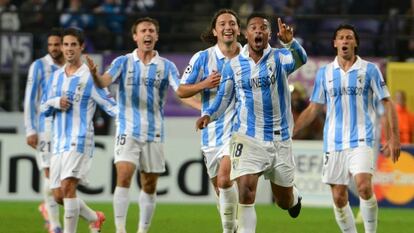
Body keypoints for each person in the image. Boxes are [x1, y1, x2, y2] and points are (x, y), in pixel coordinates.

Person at [86, 17, 200, 233]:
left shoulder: (166, 66)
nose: (147, 34)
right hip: (127, 129)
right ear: (135, 36)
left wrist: (202, 108)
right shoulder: (123, 62)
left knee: (149, 184)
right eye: (143, 30)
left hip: (154, 131)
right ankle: (120, 230)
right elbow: (104, 82)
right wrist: (94, 74)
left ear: (156, 36)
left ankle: (142, 231)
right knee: (124, 176)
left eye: (151, 30)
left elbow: (181, 93)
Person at [196, 14, 307, 233]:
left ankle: (293, 197)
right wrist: (208, 115)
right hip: (248, 136)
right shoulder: (234, 65)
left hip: (280, 139)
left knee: (283, 201)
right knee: (246, 191)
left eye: (263, 28)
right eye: (254, 28)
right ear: (246, 34)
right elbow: (223, 99)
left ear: (268, 34)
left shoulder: (280, 57)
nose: (258, 31)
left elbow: (301, 59)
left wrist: (290, 42)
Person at [293, 24, 401, 233]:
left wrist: (393, 137)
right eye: (341, 37)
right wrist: (293, 130)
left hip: (362, 137)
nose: (345, 41)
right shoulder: (325, 73)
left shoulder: (369, 69)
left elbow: (387, 103)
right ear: (335, 43)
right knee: (339, 196)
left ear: (355, 43)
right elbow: (314, 107)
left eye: (349, 37)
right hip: (333, 142)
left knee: (363, 186)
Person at [41, 27, 117, 233]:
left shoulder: (89, 77)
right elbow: (43, 107)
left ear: (82, 47)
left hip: (80, 138)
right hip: (58, 141)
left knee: (67, 188)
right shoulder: (55, 77)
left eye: (73, 44)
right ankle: (94, 218)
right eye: (65, 44)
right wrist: (56, 101)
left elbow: (110, 104)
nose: (68, 48)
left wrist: (127, 119)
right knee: (58, 195)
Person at [176, 9, 241, 233]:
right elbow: (181, 90)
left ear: (238, 29)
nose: (228, 27)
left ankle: (228, 230)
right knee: (220, 188)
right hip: (212, 133)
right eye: (222, 23)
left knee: (225, 180)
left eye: (232, 23)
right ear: (215, 31)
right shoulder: (203, 58)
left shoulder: (250, 57)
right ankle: (233, 226)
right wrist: (204, 84)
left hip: (241, 132)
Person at [24, 28, 65, 233]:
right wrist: (30, 129)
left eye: (57, 44)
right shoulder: (38, 66)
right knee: (49, 177)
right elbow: (30, 99)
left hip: (67, 129)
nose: (54, 48)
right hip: (45, 128)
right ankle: (55, 225)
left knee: (62, 180)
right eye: (50, 45)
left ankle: (46, 209)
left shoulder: (72, 66)